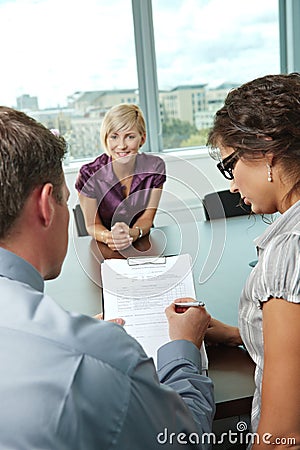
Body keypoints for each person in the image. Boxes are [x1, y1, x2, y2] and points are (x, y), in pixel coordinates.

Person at [0, 106, 215, 449]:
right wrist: (184, 348)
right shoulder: (97, 354)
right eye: (64, 199)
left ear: (141, 137)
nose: (122, 143)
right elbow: (186, 438)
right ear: (45, 206)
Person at [206, 73, 300, 449]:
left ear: (265, 151)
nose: (231, 185)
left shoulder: (289, 251)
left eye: (230, 166)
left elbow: (281, 437)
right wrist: (234, 334)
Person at [75, 103, 166, 251]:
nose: (121, 145)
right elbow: (92, 225)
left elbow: (147, 218)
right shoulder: (88, 174)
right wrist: (109, 237)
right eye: (114, 137)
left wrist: (134, 233)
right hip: (105, 248)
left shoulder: (155, 167)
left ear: (142, 139)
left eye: (130, 137)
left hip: (142, 242)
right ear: (106, 138)